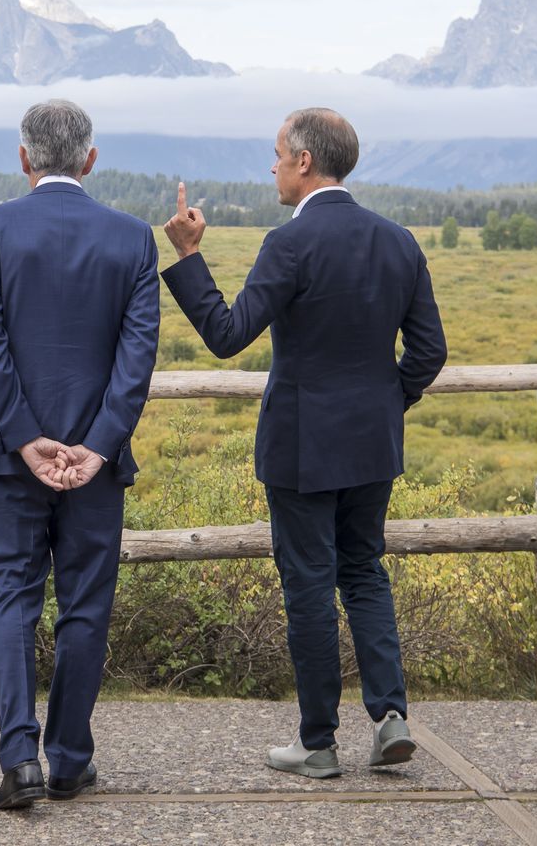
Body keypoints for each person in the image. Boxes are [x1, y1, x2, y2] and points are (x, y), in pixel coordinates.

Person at [159, 107, 447, 779]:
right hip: (373, 447)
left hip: (300, 447)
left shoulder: (289, 244)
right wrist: (384, 402)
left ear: (305, 162)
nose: (273, 167)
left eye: (278, 155)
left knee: (311, 587)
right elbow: (428, 351)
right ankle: (390, 718)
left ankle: (317, 743)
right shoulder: (399, 242)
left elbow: (227, 334)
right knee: (364, 571)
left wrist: (189, 257)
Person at [0, 99, 160, 809]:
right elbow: (137, 362)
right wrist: (98, 446)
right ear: (91, 160)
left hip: (6, 458)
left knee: (9, 602)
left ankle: (20, 760)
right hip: (95, 467)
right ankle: (70, 759)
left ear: (23, 159)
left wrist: (22, 438)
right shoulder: (133, 240)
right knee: (85, 607)